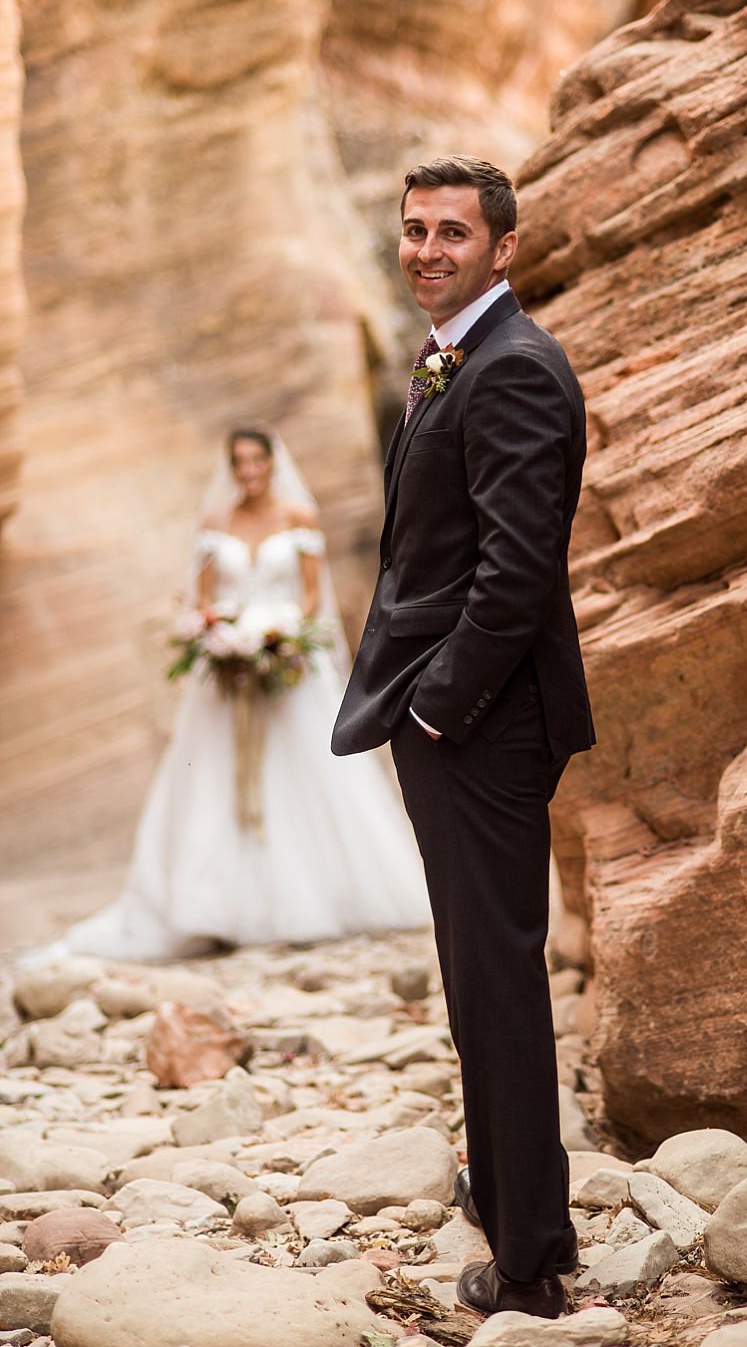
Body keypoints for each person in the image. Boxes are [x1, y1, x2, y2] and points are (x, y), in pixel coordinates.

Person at [333, 154, 595, 1320]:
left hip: (479, 721)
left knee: (493, 979)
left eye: (452, 232)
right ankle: (508, 1193)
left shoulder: (517, 369)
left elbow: (518, 569)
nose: (427, 249)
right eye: (413, 230)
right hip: (454, 713)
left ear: (505, 250)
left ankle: (530, 1262)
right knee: (477, 973)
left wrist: (437, 704)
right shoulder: (457, 359)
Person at [46, 428, 432, 962]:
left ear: (273, 463)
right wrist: (218, 636)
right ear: (230, 467)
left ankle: (318, 898)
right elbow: (203, 600)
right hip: (227, 671)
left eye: (257, 460)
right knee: (216, 777)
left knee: (302, 774)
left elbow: (311, 597)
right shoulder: (215, 523)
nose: (249, 470)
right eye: (239, 462)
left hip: (289, 666)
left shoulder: (299, 517)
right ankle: (219, 907)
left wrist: (283, 641)